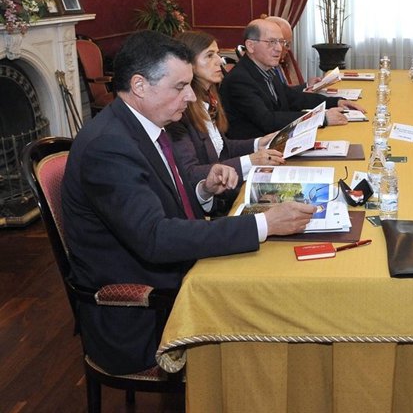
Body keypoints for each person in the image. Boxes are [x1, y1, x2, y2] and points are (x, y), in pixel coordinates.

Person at [62, 30, 315, 375]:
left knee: (279, 278)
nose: (191, 96)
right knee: (277, 305)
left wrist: (203, 191)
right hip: (144, 313)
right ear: (140, 86)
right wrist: (265, 223)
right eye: (180, 86)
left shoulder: (145, 125)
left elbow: (165, 208)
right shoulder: (108, 146)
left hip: (172, 274)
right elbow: (155, 238)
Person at [168, 30, 285, 213]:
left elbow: (223, 148)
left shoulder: (209, 98)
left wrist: (258, 143)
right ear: (188, 63)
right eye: (209, 55)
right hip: (215, 205)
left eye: (217, 54)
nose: (220, 61)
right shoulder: (179, 112)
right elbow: (189, 173)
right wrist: (250, 161)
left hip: (230, 191)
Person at [220, 18, 365, 140]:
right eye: (271, 42)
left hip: (278, 141)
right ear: (251, 46)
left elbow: (293, 98)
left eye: (281, 42)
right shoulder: (239, 79)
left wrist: (335, 102)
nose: (279, 48)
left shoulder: (266, 70)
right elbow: (268, 121)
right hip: (257, 152)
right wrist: (321, 118)